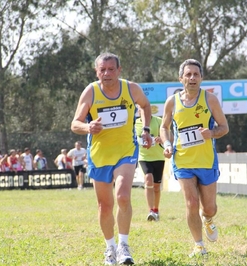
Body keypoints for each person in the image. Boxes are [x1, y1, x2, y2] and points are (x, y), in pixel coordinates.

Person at [71, 52, 152, 265]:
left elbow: (145, 106)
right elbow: (75, 123)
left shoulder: (131, 89)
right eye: (102, 70)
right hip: (100, 155)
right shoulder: (91, 91)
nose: (106, 73)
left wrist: (144, 129)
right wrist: (88, 127)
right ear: (97, 72)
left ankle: (124, 246)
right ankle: (110, 248)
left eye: (110, 69)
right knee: (104, 206)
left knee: (123, 196)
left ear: (119, 70)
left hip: (126, 151)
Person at [160, 59, 229, 257]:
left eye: (195, 75)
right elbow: (164, 127)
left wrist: (212, 133)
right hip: (182, 161)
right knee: (191, 202)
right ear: (180, 78)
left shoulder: (210, 100)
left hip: (206, 161)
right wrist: (167, 144)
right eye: (188, 74)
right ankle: (199, 245)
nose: (192, 78)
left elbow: (224, 127)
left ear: (201, 78)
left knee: (209, 208)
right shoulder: (172, 102)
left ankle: (207, 219)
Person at [135, 109, 165, 221]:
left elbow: (169, 136)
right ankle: (150, 211)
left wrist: (162, 139)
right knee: (148, 179)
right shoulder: (135, 123)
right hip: (144, 157)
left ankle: (156, 209)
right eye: (140, 110)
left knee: (157, 187)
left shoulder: (158, 121)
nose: (142, 112)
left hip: (158, 157)